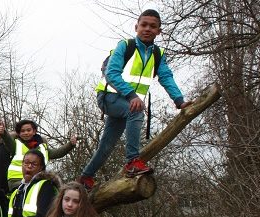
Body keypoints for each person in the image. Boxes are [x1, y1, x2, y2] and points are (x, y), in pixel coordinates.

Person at [77, 9, 192, 191]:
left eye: (153, 26)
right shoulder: (125, 46)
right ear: (136, 27)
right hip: (110, 97)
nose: (147, 29)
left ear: (159, 31)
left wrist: (179, 100)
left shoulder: (158, 54)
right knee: (136, 111)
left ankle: (85, 177)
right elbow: (111, 73)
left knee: (107, 145)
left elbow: (166, 77)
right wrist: (132, 96)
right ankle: (132, 162)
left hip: (128, 102)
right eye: (144, 25)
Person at [4, 120, 76, 192]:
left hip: (37, 180)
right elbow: (7, 140)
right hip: (16, 180)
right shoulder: (16, 144)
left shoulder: (43, 147)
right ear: (19, 133)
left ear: (34, 131)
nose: (26, 133)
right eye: (22, 131)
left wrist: (70, 144)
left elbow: (58, 153)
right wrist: (3, 132)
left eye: (28, 130)